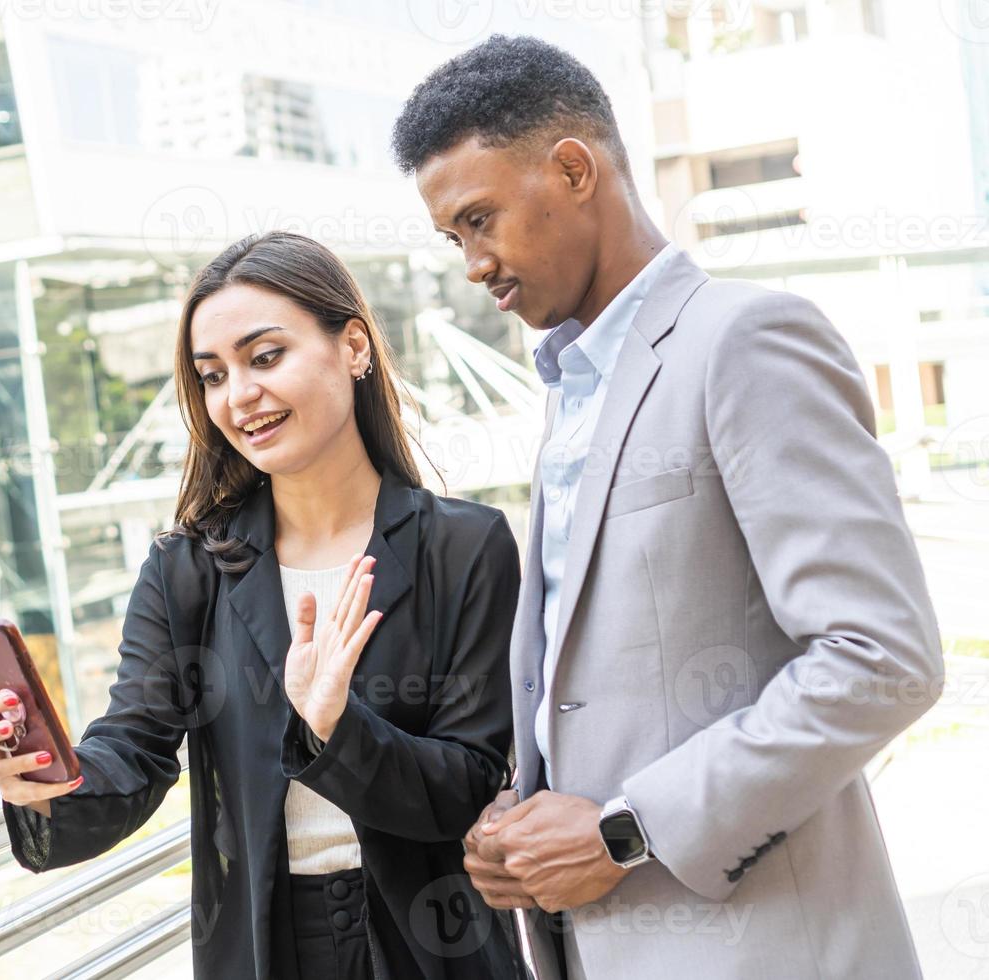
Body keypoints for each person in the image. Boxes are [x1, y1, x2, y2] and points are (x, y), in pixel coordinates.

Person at [391, 34, 945, 980]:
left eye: (480, 220)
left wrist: (623, 831)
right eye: (454, 238)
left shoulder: (746, 341)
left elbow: (882, 659)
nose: (473, 264)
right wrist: (524, 816)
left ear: (572, 169)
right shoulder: (571, 390)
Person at [0, 231, 526, 978]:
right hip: (266, 946)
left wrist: (334, 726)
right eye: (212, 375)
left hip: (434, 944)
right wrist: (43, 776)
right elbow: (131, 754)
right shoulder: (189, 570)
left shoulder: (465, 548)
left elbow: (465, 787)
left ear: (354, 347)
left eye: (265, 358)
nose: (238, 396)